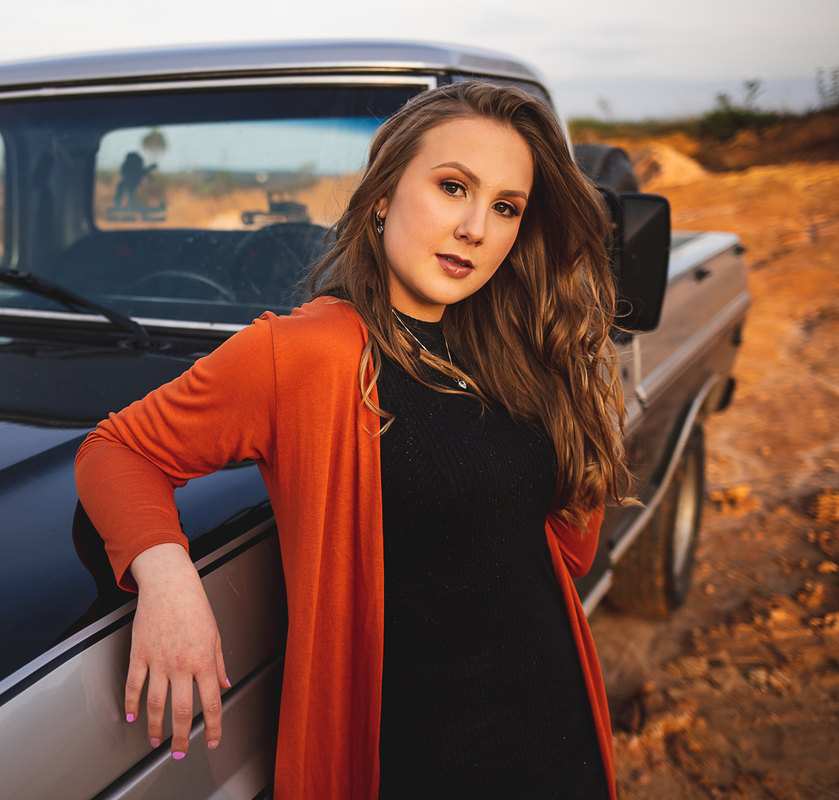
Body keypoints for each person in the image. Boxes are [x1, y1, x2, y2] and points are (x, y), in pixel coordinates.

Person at [75, 82, 631, 799]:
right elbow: (116, 450)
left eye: (505, 207)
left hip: (560, 732)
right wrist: (166, 577)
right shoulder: (307, 352)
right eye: (453, 187)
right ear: (382, 197)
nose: (475, 228)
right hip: (422, 764)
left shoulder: (517, 349)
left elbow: (565, 553)